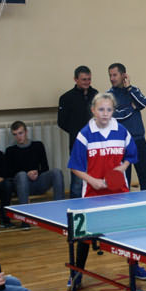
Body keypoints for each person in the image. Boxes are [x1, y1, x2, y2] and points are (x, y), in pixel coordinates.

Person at [67, 92, 146, 288]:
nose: (105, 113)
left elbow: (131, 156)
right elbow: (75, 166)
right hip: (92, 194)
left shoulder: (122, 131)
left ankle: (134, 267)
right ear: (93, 110)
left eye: (109, 109)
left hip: (119, 192)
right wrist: (92, 181)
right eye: (101, 109)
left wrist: (121, 168)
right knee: (83, 237)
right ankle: (77, 273)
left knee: (128, 233)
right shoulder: (85, 134)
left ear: (113, 111)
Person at [5, 121, 65, 229]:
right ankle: (25, 219)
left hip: (38, 181)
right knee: (22, 175)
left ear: (26, 132)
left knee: (57, 172)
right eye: (15, 134)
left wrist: (37, 173)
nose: (18, 137)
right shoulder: (10, 151)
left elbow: (45, 168)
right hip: (21, 185)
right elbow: (9, 174)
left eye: (20, 133)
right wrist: (26, 174)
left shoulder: (38, 145)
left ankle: (59, 214)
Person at [108, 63, 146, 190]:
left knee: (145, 178)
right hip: (120, 144)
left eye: (115, 75)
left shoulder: (134, 91)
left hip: (138, 142)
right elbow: (115, 116)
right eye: (110, 75)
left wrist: (129, 88)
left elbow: (143, 103)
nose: (112, 78)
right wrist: (132, 108)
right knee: (123, 181)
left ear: (123, 75)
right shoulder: (108, 96)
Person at [57, 65, 98, 198]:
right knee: (77, 183)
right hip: (77, 144)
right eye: (84, 79)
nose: (87, 82)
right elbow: (61, 122)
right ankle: (75, 208)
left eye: (89, 79)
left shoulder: (96, 95)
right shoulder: (66, 98)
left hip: (96, 144)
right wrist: (78, 133)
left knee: (96, 177)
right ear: (76, 79)